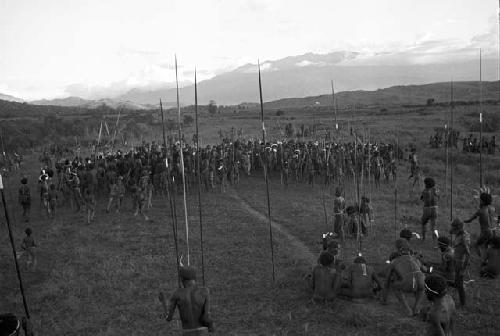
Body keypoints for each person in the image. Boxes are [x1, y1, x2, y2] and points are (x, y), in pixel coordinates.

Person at [159, 266, 214, 335]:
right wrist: (210, 326)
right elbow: (206, 316)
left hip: (188, 333)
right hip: (202, 332)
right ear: (194, 278)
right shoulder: (205, 291)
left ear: (182, 279)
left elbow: (168, 318)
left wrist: (163, 303)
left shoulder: (177, 293)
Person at [382, 241, 425, 316]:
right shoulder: (415, 259)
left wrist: (384, 299)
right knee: (421, 285)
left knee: (395, 286)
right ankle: (416, 307)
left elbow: (386, 282)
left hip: (408, 283)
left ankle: (407, 309)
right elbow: (424, 269)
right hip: (421, 282)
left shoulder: (394, 262)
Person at [464, 192, 496, 259]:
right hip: (493, 231)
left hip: (485, 232)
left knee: (477, 245)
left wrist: (463, 221)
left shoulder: (480, 211)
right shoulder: (492, 209)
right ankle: (488, 257)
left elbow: (470, 220)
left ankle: (481, 259)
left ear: (483, 202)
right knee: (488, 245)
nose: (479, 201)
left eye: (480, 200)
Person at [449, 219, 470, 307]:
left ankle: (463, 304)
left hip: (461, 263)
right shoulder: (458, 233)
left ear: (459, 228)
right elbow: (450, 232)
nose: (452, 229)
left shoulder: (464, 237)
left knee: (460, 284)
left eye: (454, 227)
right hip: (455, 260)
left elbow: (468, 255)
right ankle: (455, 297)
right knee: (457, 281)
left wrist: (463, 269)